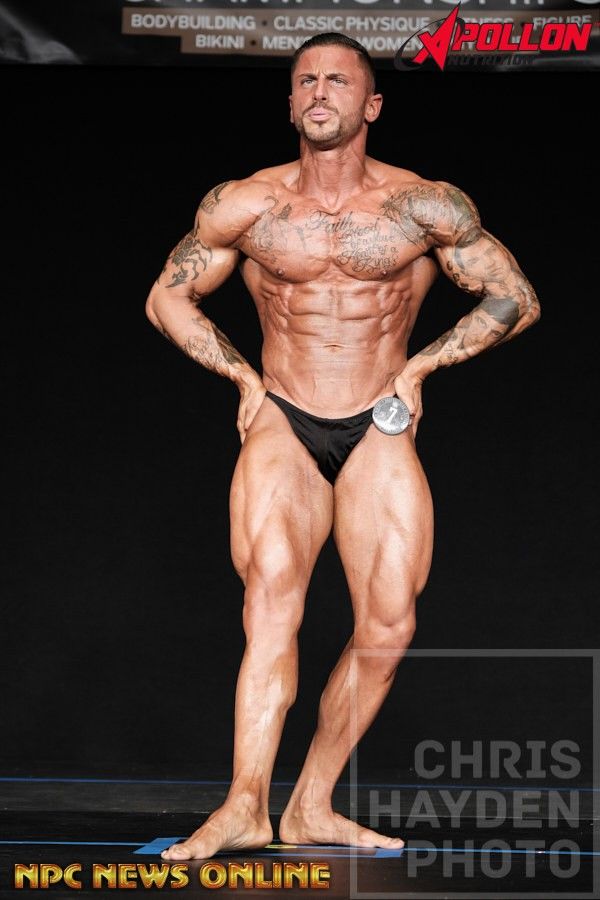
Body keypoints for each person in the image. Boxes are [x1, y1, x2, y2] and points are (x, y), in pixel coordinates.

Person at [145, 33, 540, 860]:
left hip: (378, 418)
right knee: (271, 603)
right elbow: (167, 298)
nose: (319, 92)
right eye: (306, 81)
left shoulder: (423, 206)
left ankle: (312, 806)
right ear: (291, 102)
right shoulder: (246, 204)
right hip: (284, 416)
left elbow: (515, 296)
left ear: (372, 104)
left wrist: (424, 366)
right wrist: (242, 378)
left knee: (388, 625)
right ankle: (244, 805)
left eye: (338, 81)